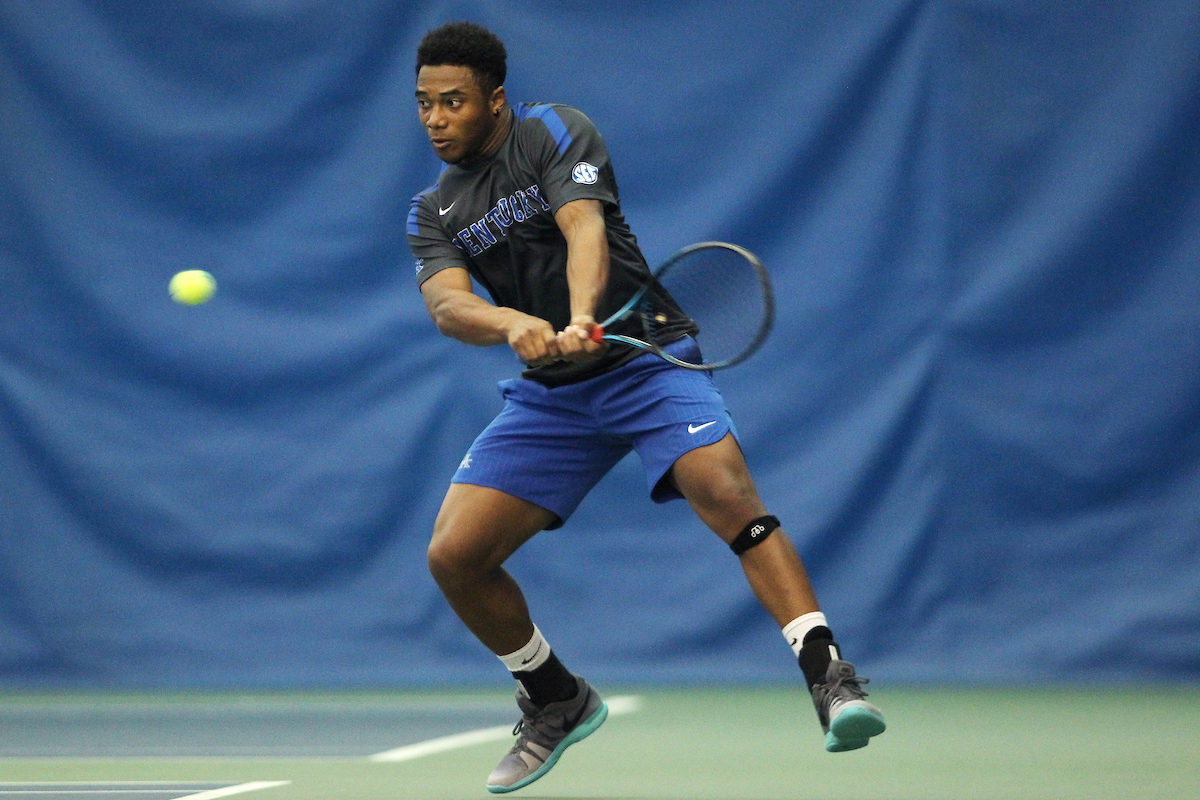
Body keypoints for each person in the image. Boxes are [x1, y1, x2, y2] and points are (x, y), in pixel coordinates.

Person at [406, 21, 885, 794]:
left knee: (725, 491)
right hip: (553, 400)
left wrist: (582, 310)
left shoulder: (552, 131)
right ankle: (554, 696)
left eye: (452, 102)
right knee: (453, 556)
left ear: (495, 100)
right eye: (425, 103)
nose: (435, 118)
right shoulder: (433, 211)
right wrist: (515, 324)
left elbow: (582, 225)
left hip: (644, 358)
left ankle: (829, 675)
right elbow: (448, 307)